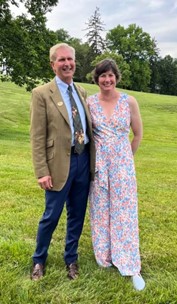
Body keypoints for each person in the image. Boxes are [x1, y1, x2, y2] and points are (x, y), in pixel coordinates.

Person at [30, 42, 95, 281]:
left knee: (77, 215)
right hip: (57, 165)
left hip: (83, 161)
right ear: (53, 65)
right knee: (51, 215)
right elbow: (37, 136)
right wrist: (41, 171)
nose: (67, 63)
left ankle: (71, 259)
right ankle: (39, 260)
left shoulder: (81, 91)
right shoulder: (41, 94)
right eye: (61, 60)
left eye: (70, 59)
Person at [86, 59, 145, 291]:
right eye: (102, 76)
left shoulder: (129, 101)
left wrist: (125, 159)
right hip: (99, 166)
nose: (107, 80)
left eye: (110, 75)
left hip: (122, 166)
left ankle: (129, 264)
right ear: (97, 78)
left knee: (124, 214)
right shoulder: (90, 102)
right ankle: (104, 256)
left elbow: (138, 134)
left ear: (116, 77)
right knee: (101, 212)